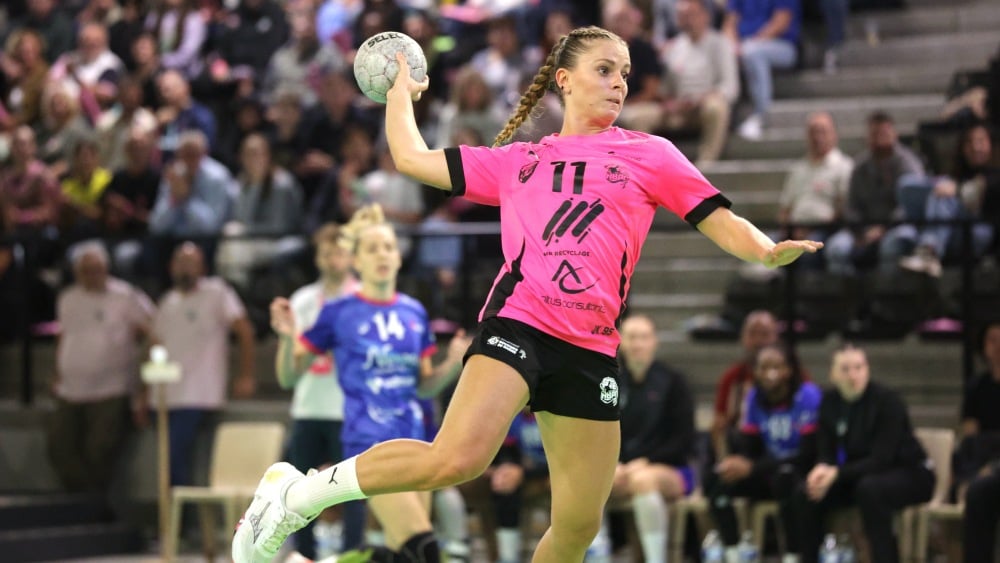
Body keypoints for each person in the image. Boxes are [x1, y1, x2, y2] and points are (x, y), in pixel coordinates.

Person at [233, 24, 822, 563]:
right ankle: (299, 492)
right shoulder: (520, 161)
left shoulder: (652, 155)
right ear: (564, 80)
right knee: (457, 459)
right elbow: (411, 159)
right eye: (603, 69)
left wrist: (767, 251)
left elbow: (719, 220)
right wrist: (396, 96)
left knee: (577, 523)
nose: (619, 82)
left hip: (590, 348)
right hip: (518, 323)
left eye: (622, 72)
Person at [268, 206, 472, 562]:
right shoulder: (339, 312)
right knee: (424, 548)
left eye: (389, 247)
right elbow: (288, 376)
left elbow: (424, 387)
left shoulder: (414, 312)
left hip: (415, 443)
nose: (383, 254)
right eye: (372, 248)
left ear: (398, 258)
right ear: (356, 262)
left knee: (402, 556)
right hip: (369, 445)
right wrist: (287, 339)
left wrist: (454, 364)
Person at [796, 344, 934, 563]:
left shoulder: (887, 401)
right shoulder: (829, 403)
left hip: (911, 473)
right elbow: (826, 451)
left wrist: (837, 474)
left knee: (870, 490)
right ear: (833, 374)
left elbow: (882, 459)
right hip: (862, 475)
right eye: (845, 369)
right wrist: (821, 472)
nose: (853, 375)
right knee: (808, 491)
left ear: (867, 369)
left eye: (859, 367)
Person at [280, 222, 365, 560]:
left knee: (353, 492)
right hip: (308, 408)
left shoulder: (364, 298)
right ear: (318, 258)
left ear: (351, 257)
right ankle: (305, 556)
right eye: (328, 253)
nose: (334, 260)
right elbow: (291, 365)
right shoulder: (302, 300)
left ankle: (351, 556)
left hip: (348, 412)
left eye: (341, 253)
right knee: (300, 492)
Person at [47, 241, 154, 493]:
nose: (91, 275)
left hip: (111, 388)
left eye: (96, 269)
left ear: (107, 268)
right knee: (58, 446)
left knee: (101, 449)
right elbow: (64, 336)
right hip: (70, 388)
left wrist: (143, 381)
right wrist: (57, 370)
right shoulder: (67, 298)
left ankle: (94, 506)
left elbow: (153, 332)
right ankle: (81, 500)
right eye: (85, 270)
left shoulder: (126, 296)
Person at [152, 242, 256, 489]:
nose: (185, 268)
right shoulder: (167, 302)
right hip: (166, 397)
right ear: (171, 267)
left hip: (199, 394)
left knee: (178, 460)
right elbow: (154, 346)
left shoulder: (217, 292)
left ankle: (185, 524)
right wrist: (144, 393)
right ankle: (175, 521)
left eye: (192, 262)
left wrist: (246, 375)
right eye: (181, 262)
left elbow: (244, 331)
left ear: (203, 267)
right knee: (169, 463)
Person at [705, 342, 819, 562]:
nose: (770, 374)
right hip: (767, 471)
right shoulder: (754, 398)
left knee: (786, 478)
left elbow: (808, 454)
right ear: (755, 371)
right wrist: (736, 463)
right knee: (716, 479)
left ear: (789, 370)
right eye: (764, 368)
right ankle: (733, 552)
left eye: (777, 367)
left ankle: (793, 555)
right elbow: (751, 449)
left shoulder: (808, 395)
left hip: (802, 473)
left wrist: (753, 466)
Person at [610, 314, 696, 563]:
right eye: (632, 338)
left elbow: (684, 440)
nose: (638, 344)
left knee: (642, 481)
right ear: (621, 343)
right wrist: (614, 465)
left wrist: (646, 461)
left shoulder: (673, 381)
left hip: (672, 468)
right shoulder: (612, 382)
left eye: (644, 338)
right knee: (593, 481)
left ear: (654, 342)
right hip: (624, 469)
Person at [824, 111, 926, 276]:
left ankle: (886, 298)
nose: (879, 139)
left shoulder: (908, 163)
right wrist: (862, 231)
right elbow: (852, 205)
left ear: (894, 134)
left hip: (900, 226)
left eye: (884, 134)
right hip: (863, 229)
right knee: (836, 248)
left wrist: (884, 228)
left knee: (891, 246)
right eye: (874, 134)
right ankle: (849, 297)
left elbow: (910, 205)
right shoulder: (860, 166)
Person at [776, 112, 853, 255]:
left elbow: (842, 207)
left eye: (823, 132)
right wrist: (786, 231)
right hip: (794, 231)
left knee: (810, 249)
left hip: (826, 231)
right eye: (813, 132)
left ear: (834, 135)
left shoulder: (844, 167)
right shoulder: (797, 169)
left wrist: (811, 230)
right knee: (762, 248)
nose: (818, 137)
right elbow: (785, 208)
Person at [724, 0, 801, 141]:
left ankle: (761, 115)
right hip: (743, 46)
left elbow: (781, 22)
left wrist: (750, 44)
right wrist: (734, 45)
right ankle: (726, 115)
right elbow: (729, 24)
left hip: (781, 46)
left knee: (753, 52)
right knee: (723, 49)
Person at [711, 310, 779, 457]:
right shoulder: (732, 378)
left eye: (765, 334)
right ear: (743, 337)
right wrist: (724, 462)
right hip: (743, 450)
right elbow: (719, 426)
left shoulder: (795, 376)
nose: (758, 341)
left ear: (776, 337)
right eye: (752, 334)